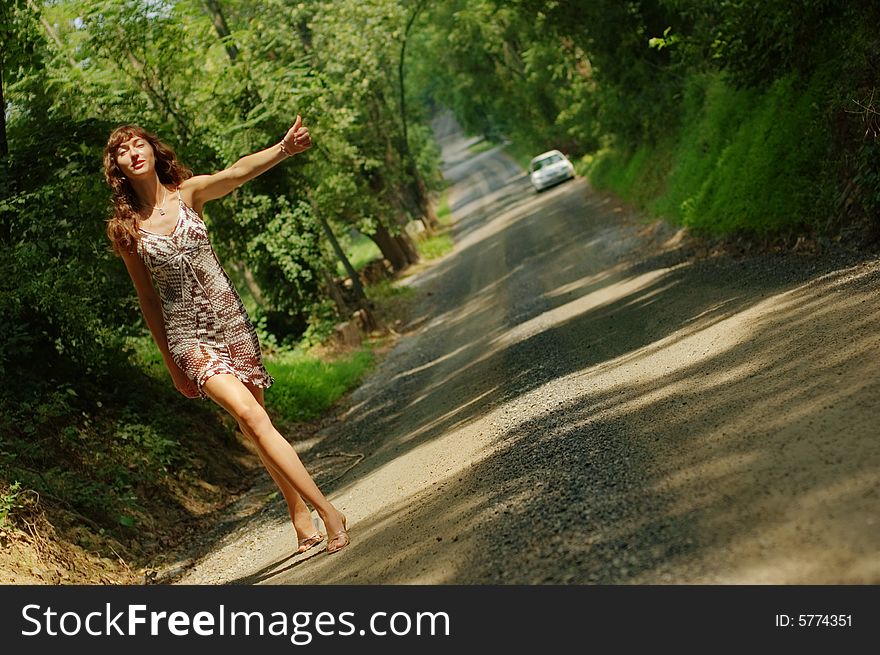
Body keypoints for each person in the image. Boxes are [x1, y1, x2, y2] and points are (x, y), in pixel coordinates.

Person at [102, 117, 350, 555]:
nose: (133, 153)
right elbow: (148, 300)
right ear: (117, 167)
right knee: (251, 419)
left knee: (258, 423)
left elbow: (235, 173)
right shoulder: (126, 230)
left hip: (230, 320)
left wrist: (283, 149)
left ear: (154, 151)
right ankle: (328, 510)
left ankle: (297, 512)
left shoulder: (190, 194)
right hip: (188, 339)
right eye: (123, 151)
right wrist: (170, 362)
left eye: (138, 144)